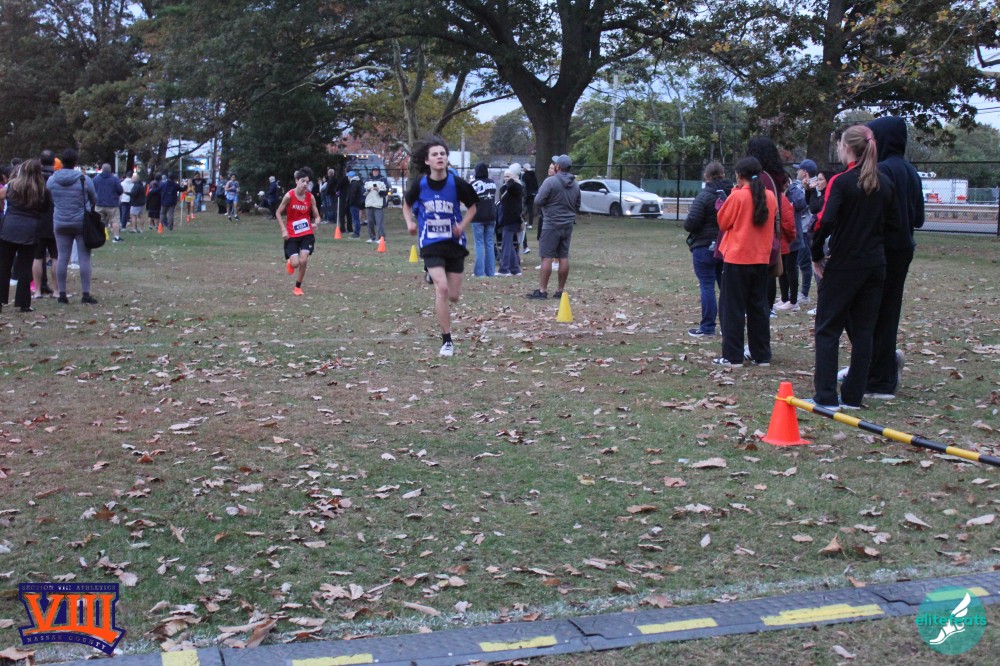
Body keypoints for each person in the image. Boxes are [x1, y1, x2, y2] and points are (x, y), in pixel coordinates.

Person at [810, 125, 899, 411]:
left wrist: (816, 253)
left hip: (845, 264)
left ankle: (825, 396)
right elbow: (894, 224)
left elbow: (825, 221)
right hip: (874, 265)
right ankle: (853, 396)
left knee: (827, 329)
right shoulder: (885, 183)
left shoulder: (841, 182)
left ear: (847, 148)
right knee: (863, 332)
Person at [863, 116, 925, 399]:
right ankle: (882, 367)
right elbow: (919, 218)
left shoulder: (882, 170)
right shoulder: (911, 172)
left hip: (882, 250)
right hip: (904, 249)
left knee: (870, 313)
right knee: (888, 311)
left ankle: (879, 378)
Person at [402, 137, 478, 358]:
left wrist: (462, 226)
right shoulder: (420, 185)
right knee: (442, 289)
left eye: (442, 154)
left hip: (453, 243)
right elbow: (406, 205)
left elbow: (473, 207)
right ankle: (447, 341)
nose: (439, 157)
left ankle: (431, 275)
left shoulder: (457, 183)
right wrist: (409, 222)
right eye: (435, 154)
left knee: (454, 296)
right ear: (427, 161)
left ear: (447, 158)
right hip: (430, 242)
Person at [713, 157, 777, 367]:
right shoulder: (770, 196)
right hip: (761, 258)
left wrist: (734, 192)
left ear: (739, 176)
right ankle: (761, 354)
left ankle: (732, 356)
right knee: (758, 307)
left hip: (737, 259)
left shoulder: (738, 196)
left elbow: (723, 221)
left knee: (733, 308)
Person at [745, 137, 796, 317]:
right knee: (767, 273)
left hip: (761, 232)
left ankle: (764, 309)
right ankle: (767, 308)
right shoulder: (774, 177)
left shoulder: (762, 179)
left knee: (762, 275)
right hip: (771, 232)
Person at [683, 161, 732, 337]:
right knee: (725, 287)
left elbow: (691, 223)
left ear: (707, 176)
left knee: (707, 286)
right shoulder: (732, 194)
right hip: (726, 245)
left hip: (704, 245)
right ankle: (729, 326)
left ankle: (707, 326)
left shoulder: (704, 196)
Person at [46, 149, 98, 305]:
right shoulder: (83, 179)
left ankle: (62, 293)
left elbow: (50, 197)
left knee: (62, 257)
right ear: (75, 162)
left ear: (62, 162)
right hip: (81, 222)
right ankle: (86, 293)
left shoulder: (52, 180)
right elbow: (94, 198)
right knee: (84, 258)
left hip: (60, 221)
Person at [0, 159, 51, 313]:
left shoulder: (12, 186)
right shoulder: (42, 191)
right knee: (25, 267)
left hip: (9, 228)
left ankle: (1, 300)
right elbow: (45, 208)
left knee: (4, 266)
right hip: (30, 230)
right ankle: (23, 303)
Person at [527, 155, 579, 300]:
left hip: (551, 224)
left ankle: (542, 291)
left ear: (558, 167)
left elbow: (538, 200)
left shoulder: (550, 181)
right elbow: (578, 204)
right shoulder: (575, 184)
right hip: (567, 225)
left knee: (547, 257)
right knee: (563, 257)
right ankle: (560, 291)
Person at [276, 168, 321, 297]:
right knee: (295, 264)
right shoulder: (289, 196)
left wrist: (316, 223)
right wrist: (284, 230)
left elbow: (317, 216)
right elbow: (278, 212)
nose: (305, 184)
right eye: (303, 181)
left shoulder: (310, 197)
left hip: (307, 233)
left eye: (307, 182)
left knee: (304, 260)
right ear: (296, 181)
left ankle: (297, 287)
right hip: (292, 234)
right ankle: (291, 262)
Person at [32, 151, 59, 298]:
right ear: (54, 162)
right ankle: (57, 290)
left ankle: (37, 290)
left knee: (37, 257)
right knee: (55, 257)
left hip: (37, 220)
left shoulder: (34, 179)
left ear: (40, 162)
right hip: (54, 219)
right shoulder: (56, 178)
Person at [793, 159, 819, 303]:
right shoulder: (803, 185)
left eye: (799, 169)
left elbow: (803, 204)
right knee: (801, 261)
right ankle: (800, 293)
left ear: (805, 173)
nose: (797, 171)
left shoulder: (812, 186)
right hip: (802, 227)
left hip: (805, 228)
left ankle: (804, 294)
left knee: (804, 262)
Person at [470, 162, 497, 277]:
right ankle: (490, 271)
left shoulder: (474, 184)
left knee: (479, 244)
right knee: (489, 244)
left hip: (478, 216)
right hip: (491, 216)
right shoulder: (492, 183)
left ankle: (479, 272)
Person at [498, 167, 523, 276]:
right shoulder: (505, 188)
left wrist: (512, 180)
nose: (506, 179)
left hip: (513, 219)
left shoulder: (517, 187)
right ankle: (515, 269)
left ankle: (504, 269)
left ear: (515, 177)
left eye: (508, 176)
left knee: (506, 244)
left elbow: (512, 187)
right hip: (506, 219)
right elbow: (503, 192)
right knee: (508, 244)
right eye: (505, 177)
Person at [92, 164, 123, 243]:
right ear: (110, 170)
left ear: (101, 169)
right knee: (115, 220)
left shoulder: (95, 179)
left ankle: (98, 236)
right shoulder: (114, 179)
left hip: (99, 203)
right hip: (112, 204)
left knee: (98, 221)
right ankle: (116, 237)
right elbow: (120, 190)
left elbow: (92, 190)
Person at [364, 167, 389, 242]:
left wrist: (378, 190)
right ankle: (372, 237)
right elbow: (363, 191)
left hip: (379, 204)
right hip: (369, 203)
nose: (375, 172)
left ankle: (381, 238)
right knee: (370, 222)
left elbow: (385, 192)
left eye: (377, 171)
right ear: (372, 171)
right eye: (374, 171)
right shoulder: (367, 179)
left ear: (379, 171)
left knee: (379, 222)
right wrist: (368, 190)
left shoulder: (383, 179)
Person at [347, 171, 365, 238]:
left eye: (348, 176)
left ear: (350, 176)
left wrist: (350, 203)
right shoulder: (357, 183)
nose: (348, 178)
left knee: (355, 219)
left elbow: (352, 194)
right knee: (356, 219)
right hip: (357, 203)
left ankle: (356, 233)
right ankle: (356, 233)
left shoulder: (353, 183)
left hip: (354, 204)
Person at [118, 171, 134, 240]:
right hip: (131, 199)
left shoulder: (122, 183)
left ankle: (123, 226)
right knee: (131, 213)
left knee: (123, 213)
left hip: (123, 199)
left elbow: (120, 192)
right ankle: (133, 226)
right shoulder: (133, 183)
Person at [522, 162, 539, 229]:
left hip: (526, 194)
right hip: (532, 194)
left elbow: (524, 186)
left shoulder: (524, 176)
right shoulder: (534, 175)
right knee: (530, 209)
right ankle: (530, 224)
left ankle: (525, 221)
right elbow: (536, 185)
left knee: (522, 207)